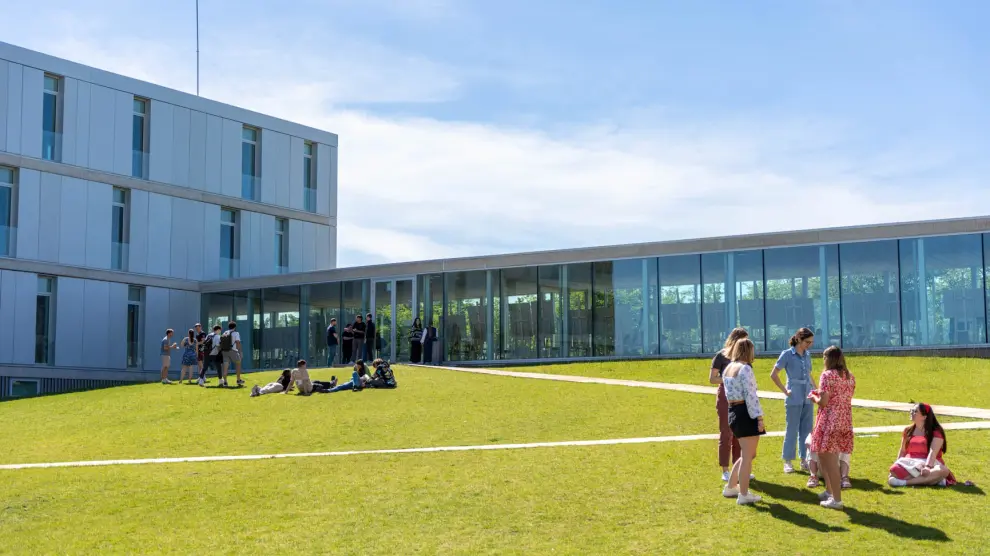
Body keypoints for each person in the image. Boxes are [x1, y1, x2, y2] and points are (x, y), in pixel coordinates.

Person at [808, 346, 856, 509]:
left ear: (828, 359)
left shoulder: (827, 375)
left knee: (830, 461)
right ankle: (829, 491)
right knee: (823, 455)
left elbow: (824, 402)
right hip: (844, 420)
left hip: (829, 420)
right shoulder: (849, 376)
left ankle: (837, 499)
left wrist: (814, 397)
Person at [721, 338, 765, 505]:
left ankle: (731, 486)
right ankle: (744, 494)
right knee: (747, 456)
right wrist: (759, 417)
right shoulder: (745, 369)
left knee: (747, 454)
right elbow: (750, 395)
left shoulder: (728, 368)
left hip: (733, 411)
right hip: (745, 412)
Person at [770, 327, 816, 474]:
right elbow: (774, 374)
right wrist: (785, 390)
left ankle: (804, 460)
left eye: (811, 342)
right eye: (807, 342)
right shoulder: (787, 354)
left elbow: (809, 374)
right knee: (792, 429)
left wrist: (816, 389)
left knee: (807, 429)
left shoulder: (807, 355)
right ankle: (788, 461)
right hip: (794, 395)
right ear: (799, 339)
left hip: (807, 395)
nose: (809, 345)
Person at [710, 327, 749, 482]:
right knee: (726, 433)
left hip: (740, 398)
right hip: (725, 397)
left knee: (740, 434)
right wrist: (730, 378)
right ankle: (725, 470)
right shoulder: (721, 356)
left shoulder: (744, 357)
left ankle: (739, 469)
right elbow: (712, 379)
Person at [888, 403, 956, 488]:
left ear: (924, 417)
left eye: (915, 411)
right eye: (911, 410)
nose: (911, 412)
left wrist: (927, 467)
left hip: (930, 463)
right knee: (893, 470)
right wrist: (896, 464)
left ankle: (904, 482)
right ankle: (929, 480)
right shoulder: (907, 430)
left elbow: (932, 452)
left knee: (943, 470)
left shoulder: (936, 432)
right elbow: (902, 451)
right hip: (911, 463)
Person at [220, 321, 245, 387]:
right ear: (235, 327)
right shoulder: (236, 333)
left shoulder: (225, 333)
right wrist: (240, 352)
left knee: (225, 367)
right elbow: (238, 343)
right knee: (238, 363)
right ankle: (238, 380)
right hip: (233, 351)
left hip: (224, 351)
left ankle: (225, 382)